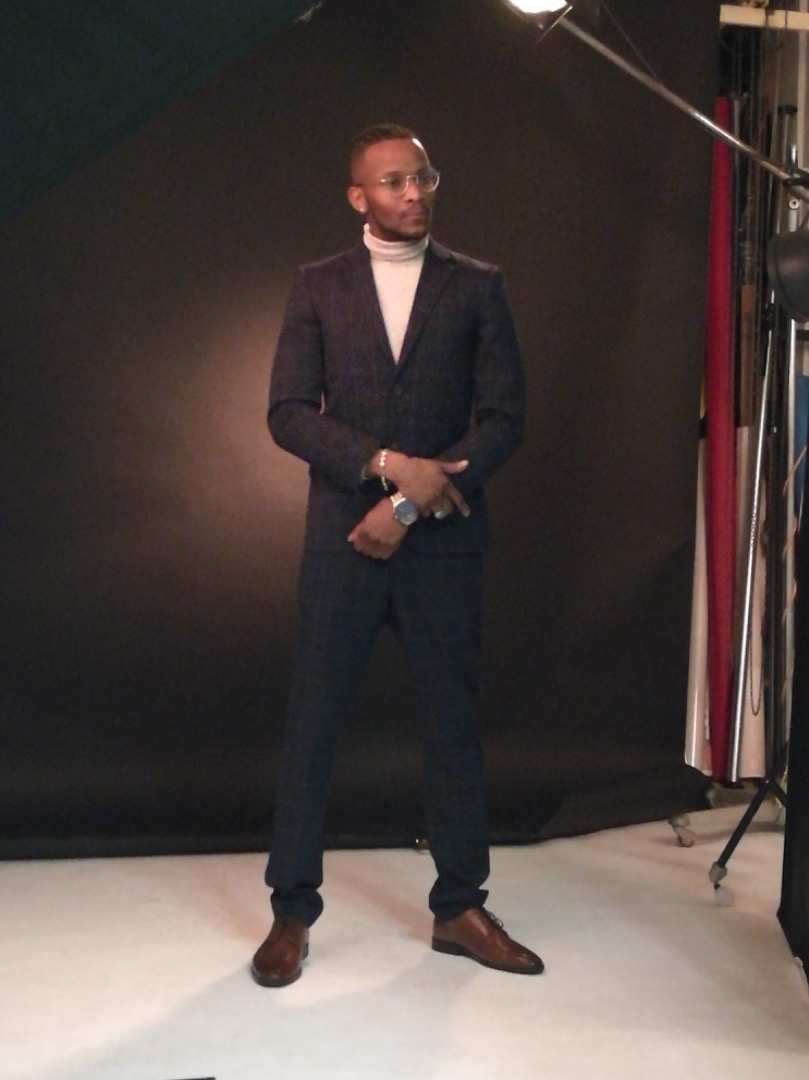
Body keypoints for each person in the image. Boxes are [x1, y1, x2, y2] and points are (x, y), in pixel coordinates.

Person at [252, 122, 543, 987]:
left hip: (442, 545)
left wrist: (410, 502)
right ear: (359, 196)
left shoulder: (477, 285)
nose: (413, 193)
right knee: (312, 727)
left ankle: (459, 907)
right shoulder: (318, 286)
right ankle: (290, 912)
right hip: (341, 539)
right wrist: (384, 466)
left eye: (422, 177)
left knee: (452, 727)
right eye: (393, 182)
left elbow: (504, 418)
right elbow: (287, 412)